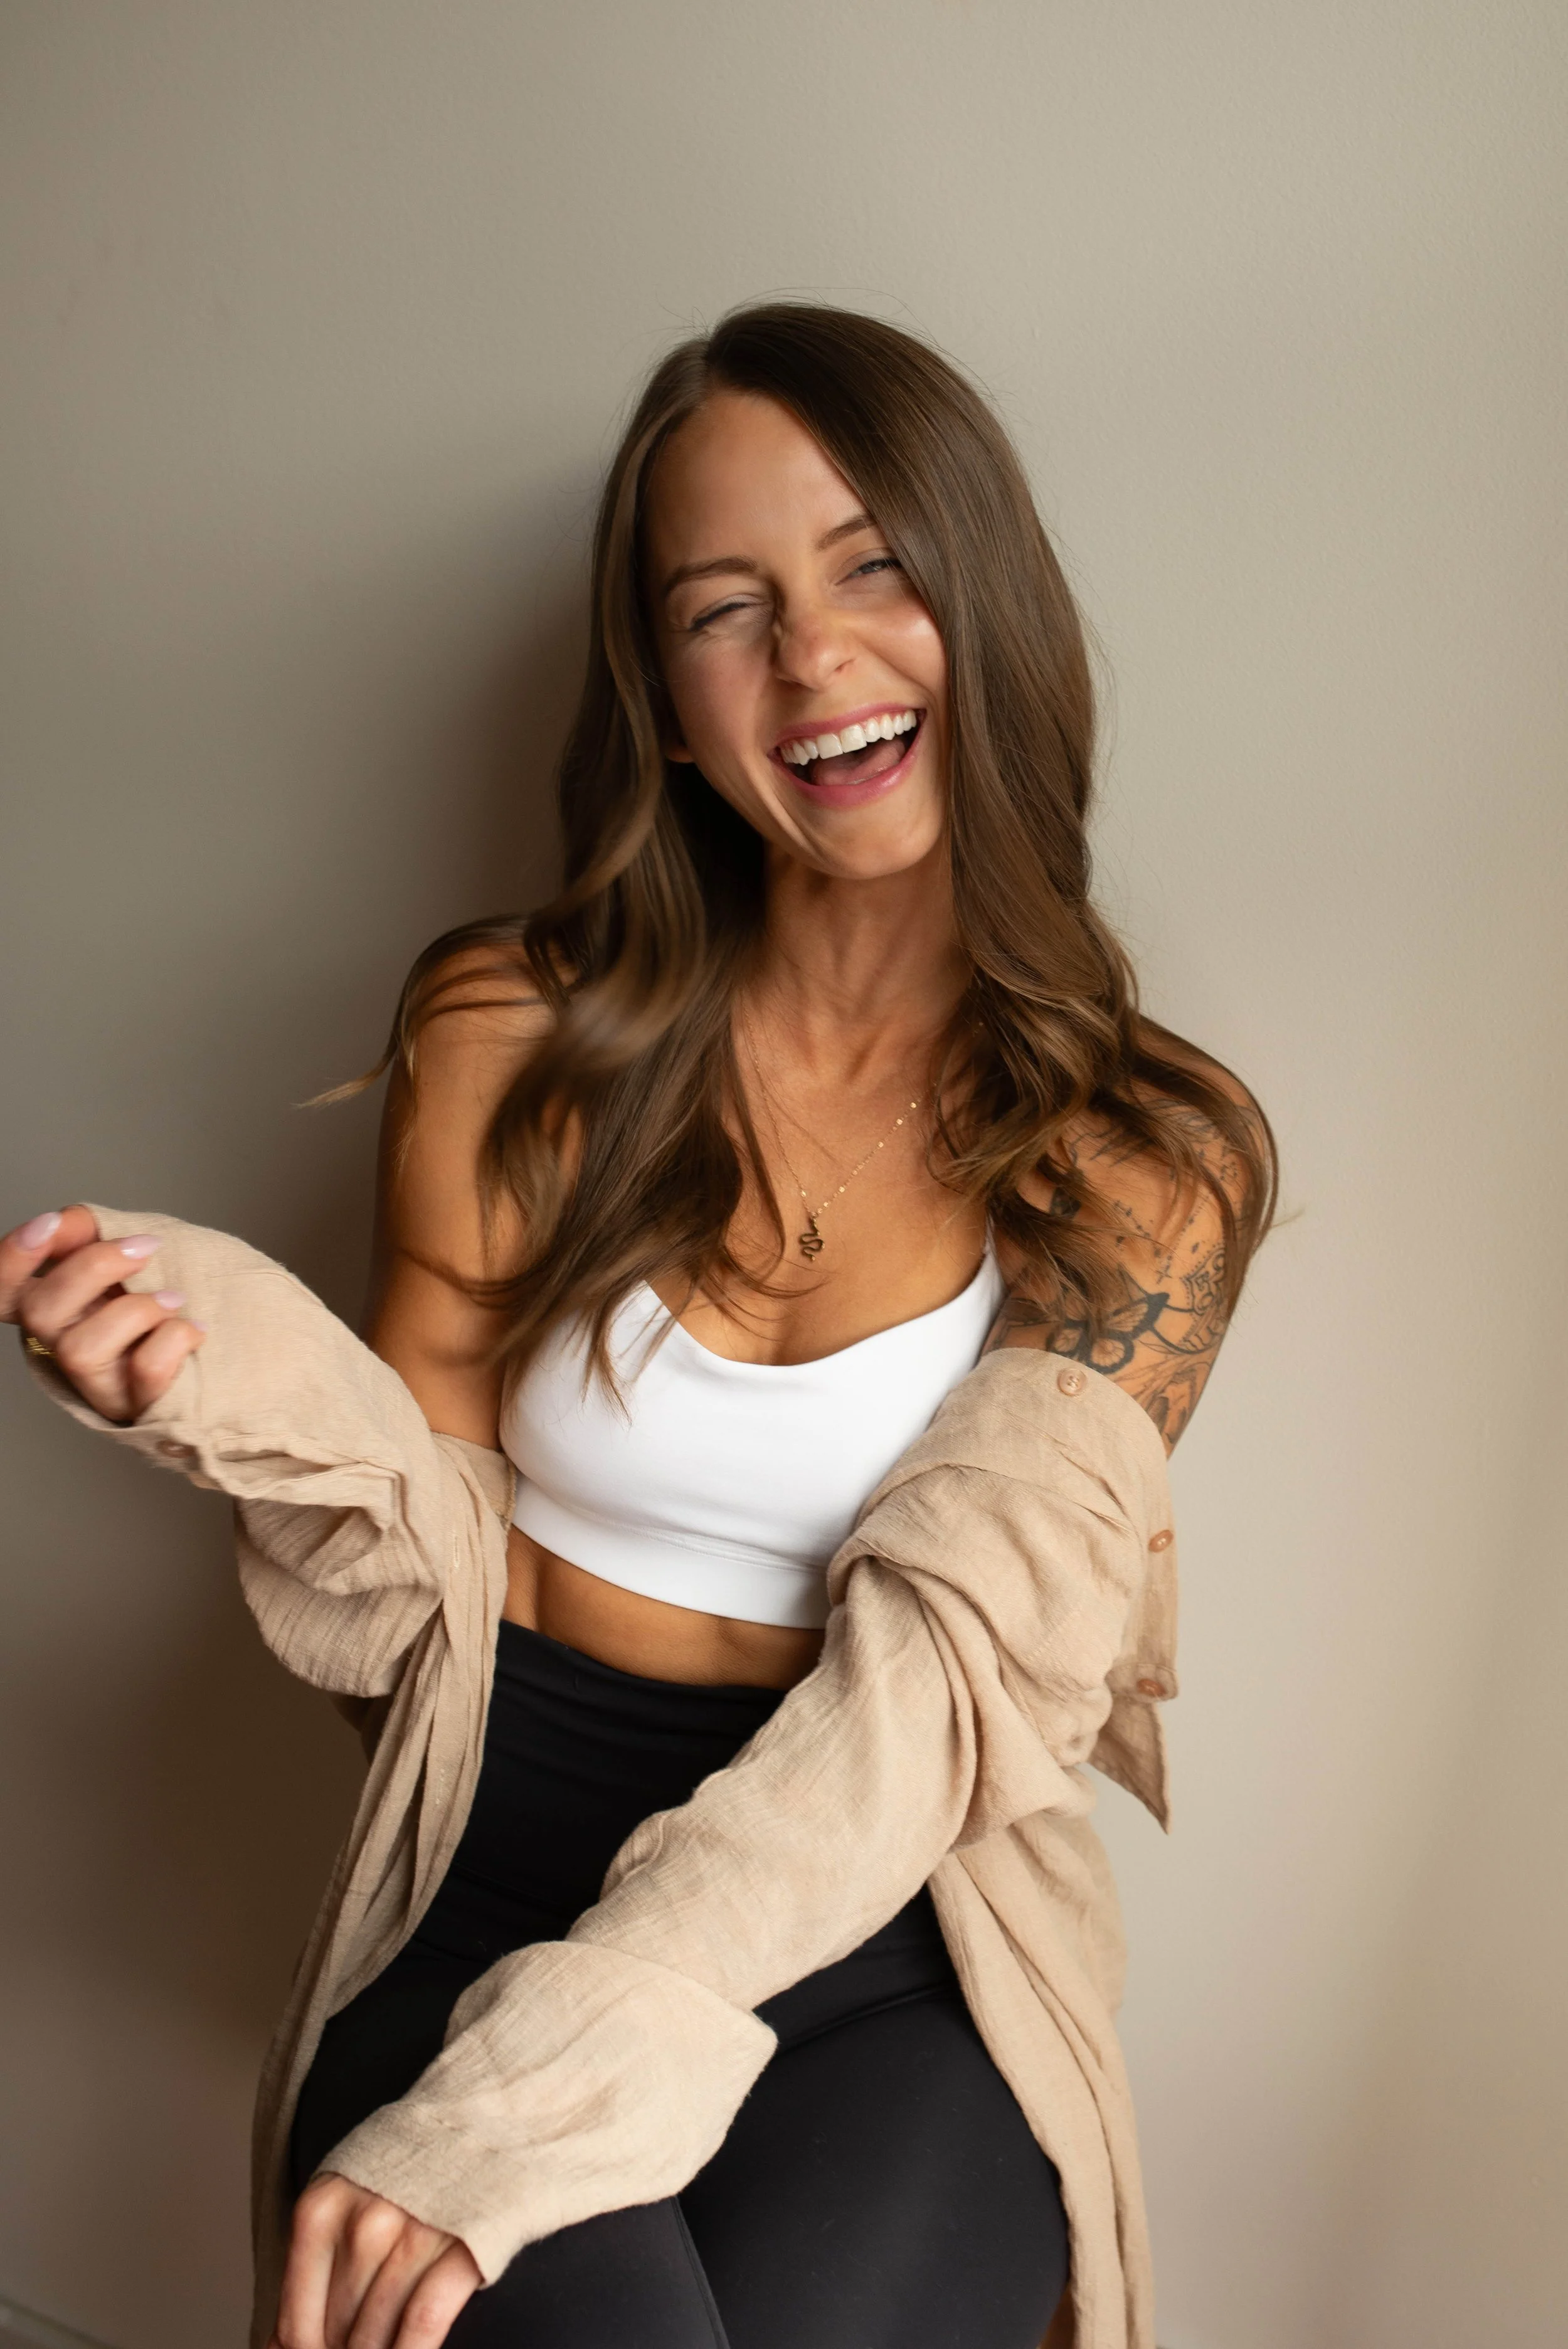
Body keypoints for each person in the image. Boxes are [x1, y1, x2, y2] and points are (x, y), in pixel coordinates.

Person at [3, 304, 1275, 2349]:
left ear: (987, 605)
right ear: (667, 701)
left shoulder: (1144, 1153)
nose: (814, 657)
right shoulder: (511, 1031)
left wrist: (622, 2021)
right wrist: (221, 1369)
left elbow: (944, 1693)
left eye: (874, 564)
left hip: (889, 1923)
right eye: (723, 607)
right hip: (489, 1869)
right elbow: (406, 1583)